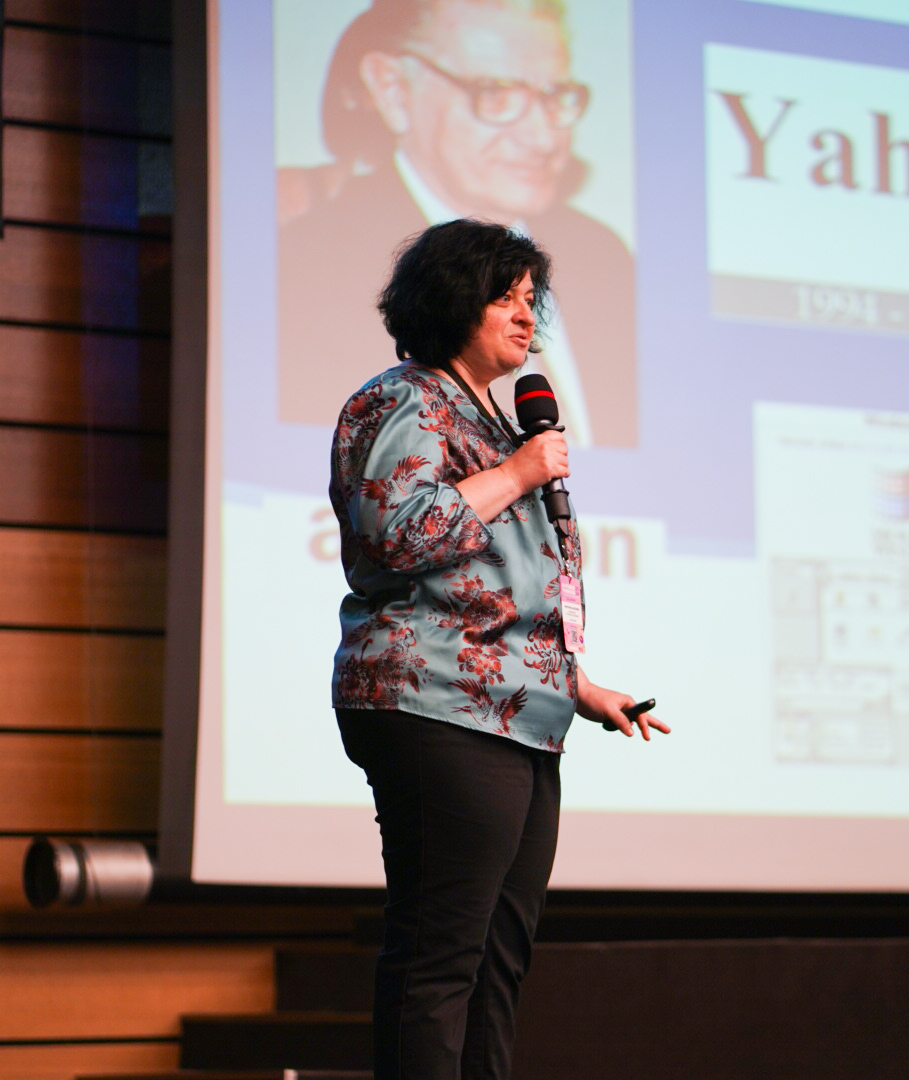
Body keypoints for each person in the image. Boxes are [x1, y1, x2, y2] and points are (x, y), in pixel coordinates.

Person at [330, 219, 667, 1080]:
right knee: (440, 955)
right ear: (453, 301)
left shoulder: (495, 421)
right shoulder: (403, 400)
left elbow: (502, 582)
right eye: (505, 298)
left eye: (530, 300)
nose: (527, 317)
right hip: (434, 702)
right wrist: (519, 473)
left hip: (521, 715)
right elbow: (397, 535)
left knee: (496, 963)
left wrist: (580, 685)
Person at [280, 0, 638, 447]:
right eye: (496, 93)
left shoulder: (603, 256)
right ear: (393, 89)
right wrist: (516, 476)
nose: (542, 137)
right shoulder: (307, 258)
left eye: (554, 97)